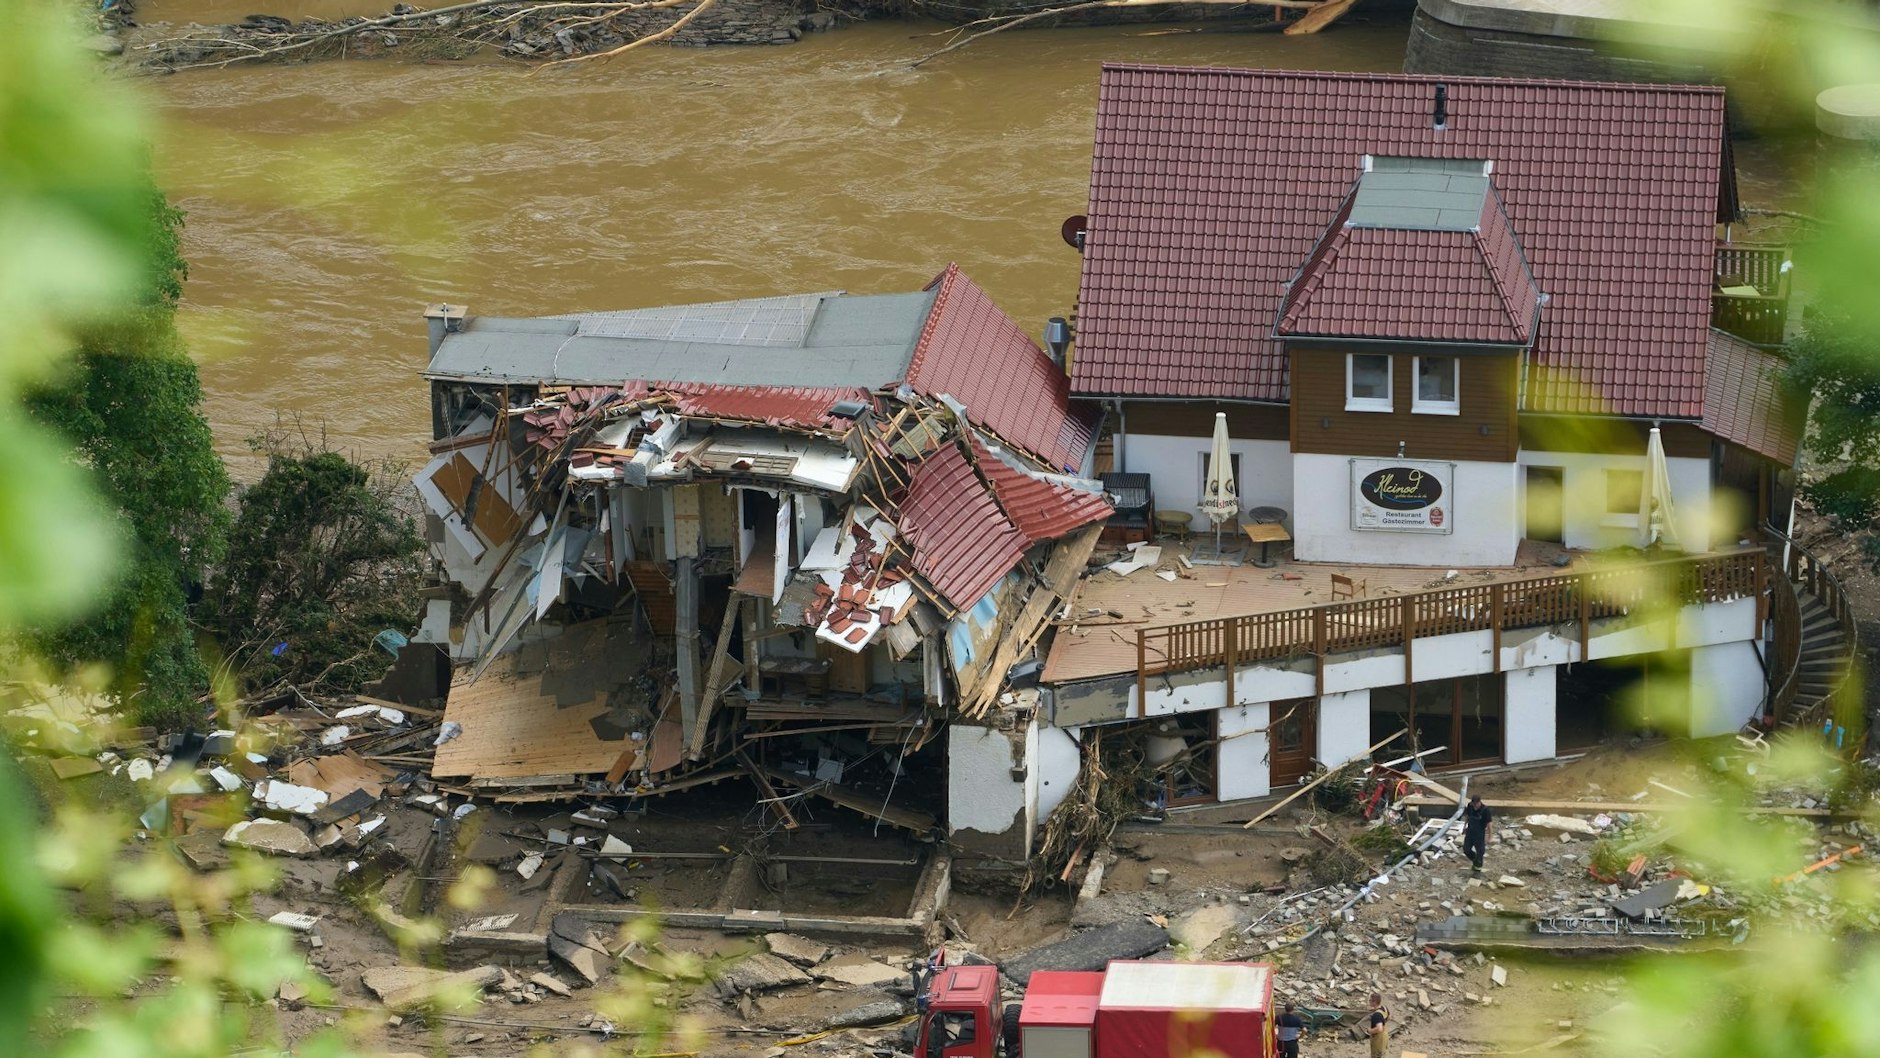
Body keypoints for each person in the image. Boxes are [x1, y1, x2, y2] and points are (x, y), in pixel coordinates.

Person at [1462, 794, 1493, 875]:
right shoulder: (1470, 806)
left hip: (1479, 834)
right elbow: (1468, 817)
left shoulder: (1485, 810)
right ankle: (1475, 860)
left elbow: (1489, 824)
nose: (1475, 806)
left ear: (1479, 802)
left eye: (1476, 804)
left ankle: (1477, 871)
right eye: (1473, 804)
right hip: (1470, 832)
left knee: (1480, 852)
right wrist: (1464, 827)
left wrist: (1490, 836)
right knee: (1466, 849)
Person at [1367, 993, 1390, 1058]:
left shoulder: (1376, 1015)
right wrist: (1383, 1022)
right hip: (1384, 1034)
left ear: (1374, 1002)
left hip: (1378, 1038)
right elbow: (1389, 1017)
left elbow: (1379, 1029)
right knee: (1382, 1054)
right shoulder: (1384, 1008)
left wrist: (1370, 1031)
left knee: (1377, 1055)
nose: (1369, 1002)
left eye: (1370, 1000)